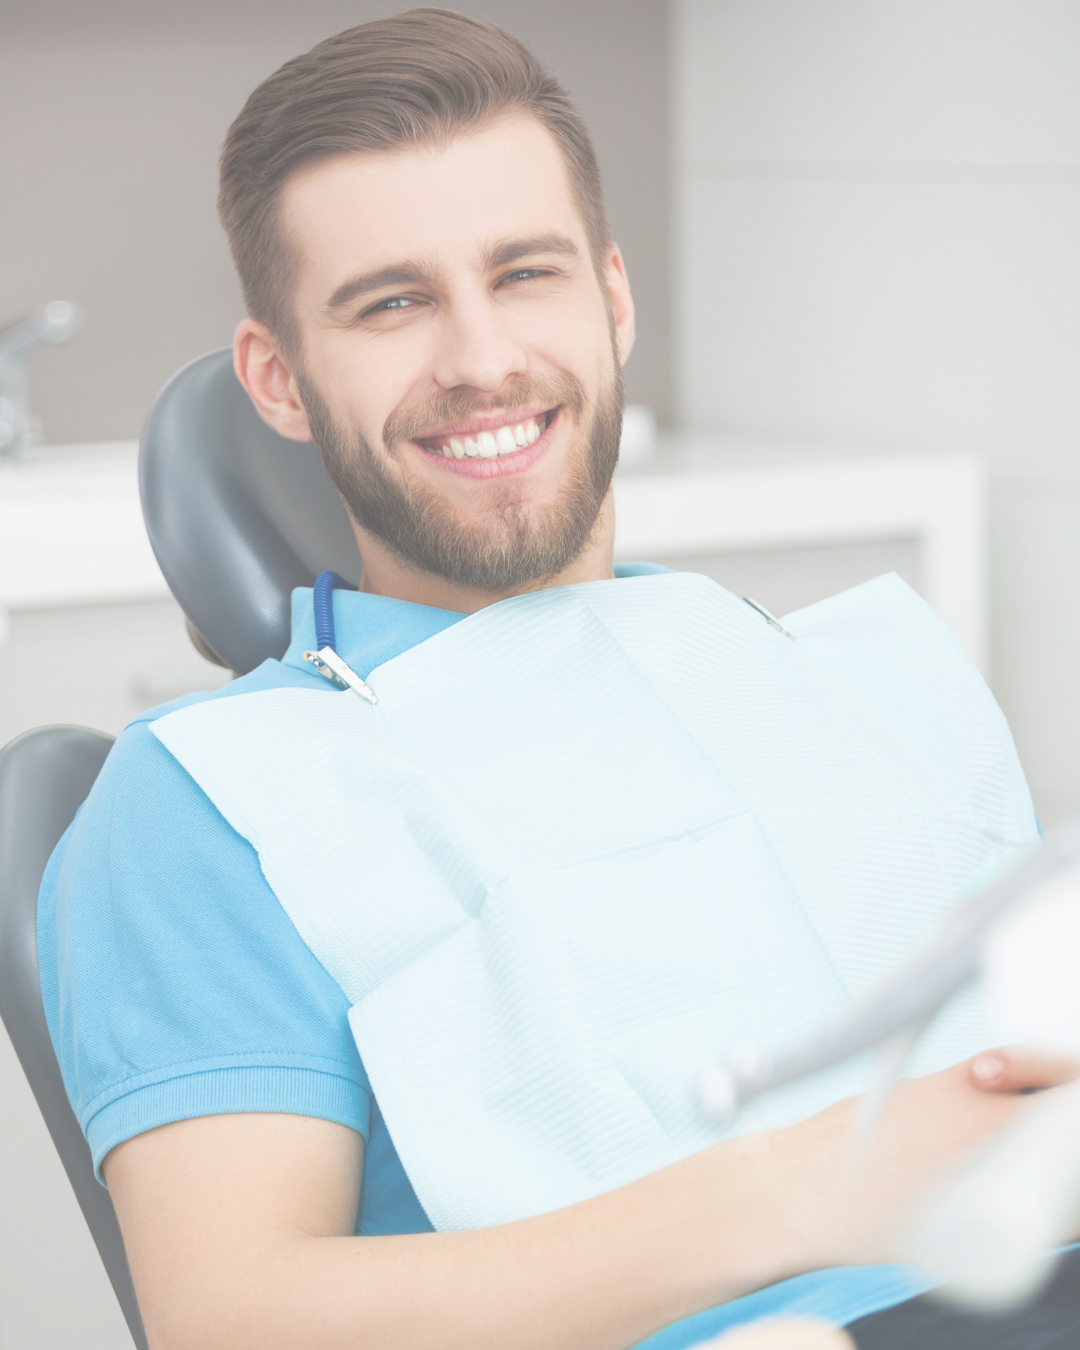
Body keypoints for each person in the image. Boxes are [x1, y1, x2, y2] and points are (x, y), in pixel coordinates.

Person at [38, 10, 1080, 1350]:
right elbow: (235, 1315)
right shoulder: (213, 804)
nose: (480, 359)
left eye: (524, 274)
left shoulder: (834, 678)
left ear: (614, 301)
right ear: (280, 381)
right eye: (393, 301)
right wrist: (810, 1184)